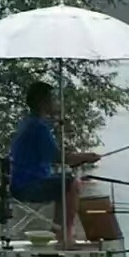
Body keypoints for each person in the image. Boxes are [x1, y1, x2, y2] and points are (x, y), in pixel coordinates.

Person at [9, 81, 101, 247]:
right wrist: (87, 156)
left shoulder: (28, 123)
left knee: (64, 181)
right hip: (29, 186)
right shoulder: (38, 128)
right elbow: (59, 157)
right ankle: (66, 235)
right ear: (43, 102)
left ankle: (58, 230)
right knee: (72, 182)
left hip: (18, 184)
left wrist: (58, 124)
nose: (55, 103)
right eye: (52, 99)